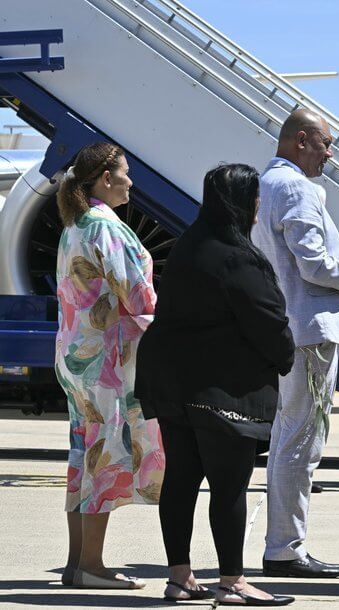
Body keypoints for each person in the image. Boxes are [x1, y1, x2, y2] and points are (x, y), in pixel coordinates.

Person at [136, 164, 296, 606]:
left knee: (181, 480)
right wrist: (286, 357)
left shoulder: (189, 242)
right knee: (229, 486)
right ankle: (232, 581)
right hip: (220, 387)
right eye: (256, 197)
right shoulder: (237, 255)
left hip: (170, 380)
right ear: (245, 203)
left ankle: (179, 577)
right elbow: (267, 320)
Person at [251, 109, 339, 578]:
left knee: (287, 436)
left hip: (287, 326)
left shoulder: (266, 184)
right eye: (326, 144)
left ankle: (282, 543)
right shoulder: (294, 187)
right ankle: (285, 548)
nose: (330, 154)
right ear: (301, 141)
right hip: (310, 331)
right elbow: (314, 266)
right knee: (302, 441)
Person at [54, 142, 162, 589]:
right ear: (105, 178)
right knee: (106, 457)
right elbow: (137, 295)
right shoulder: (106, 226)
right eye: (125, 173)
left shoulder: (75, 225)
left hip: (77, 355)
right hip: (106, 360)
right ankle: (94, 567)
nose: (131, 182)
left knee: (84, 455)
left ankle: (77, 562)